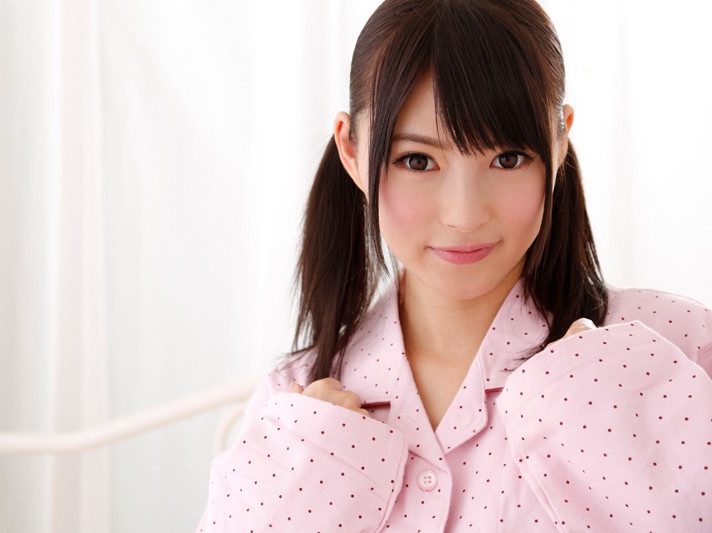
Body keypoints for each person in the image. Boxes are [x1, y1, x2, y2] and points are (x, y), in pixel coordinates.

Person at [196, 0, 712, 530]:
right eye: (417, 161)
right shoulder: (296, 408)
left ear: (560, 141)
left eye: (507, 158)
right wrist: (311, 480)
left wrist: (607, 418)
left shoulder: (680, 345)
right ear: (352, 151)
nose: (464, 216)